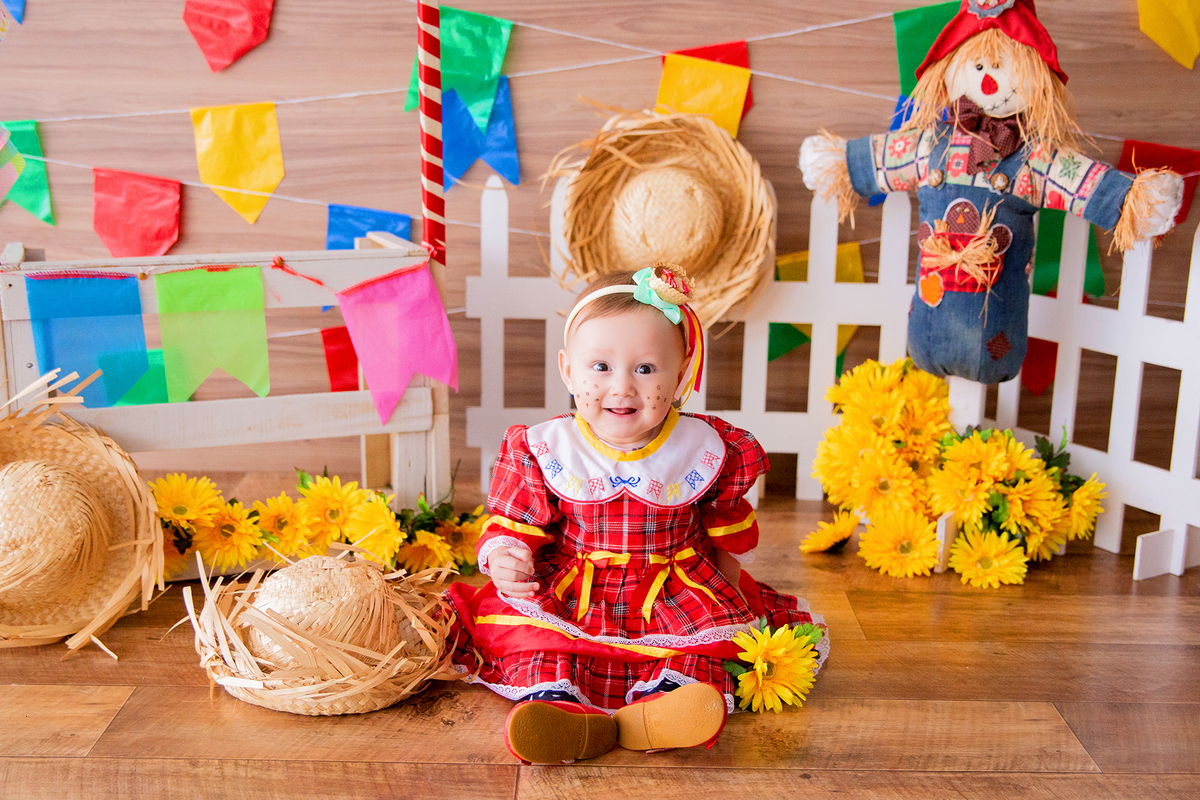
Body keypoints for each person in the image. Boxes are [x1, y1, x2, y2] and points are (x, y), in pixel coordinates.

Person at [446, 264, 826, 764]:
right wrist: (504, 558)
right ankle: (559, 710)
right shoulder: (545, 447)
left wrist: (734, 601)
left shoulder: (704, 447)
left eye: (645, 369)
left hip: (674, 586)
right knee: (548, 646)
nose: (622, 388)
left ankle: (661, 711)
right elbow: (514, 522)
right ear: (567, 370)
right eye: (600, 368)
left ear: (681, 371)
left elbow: (724, 533)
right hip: (575, 585)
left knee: (696, 650)